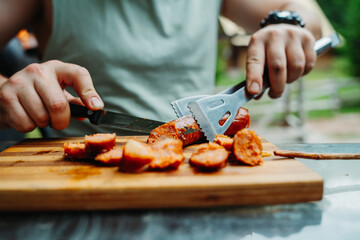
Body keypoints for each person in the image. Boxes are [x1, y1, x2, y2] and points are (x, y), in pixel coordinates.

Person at [0, 0, 322, 137]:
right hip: (77, 192)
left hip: (195, 183)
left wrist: (287, 23)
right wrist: (6, 91)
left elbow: (310, 15)